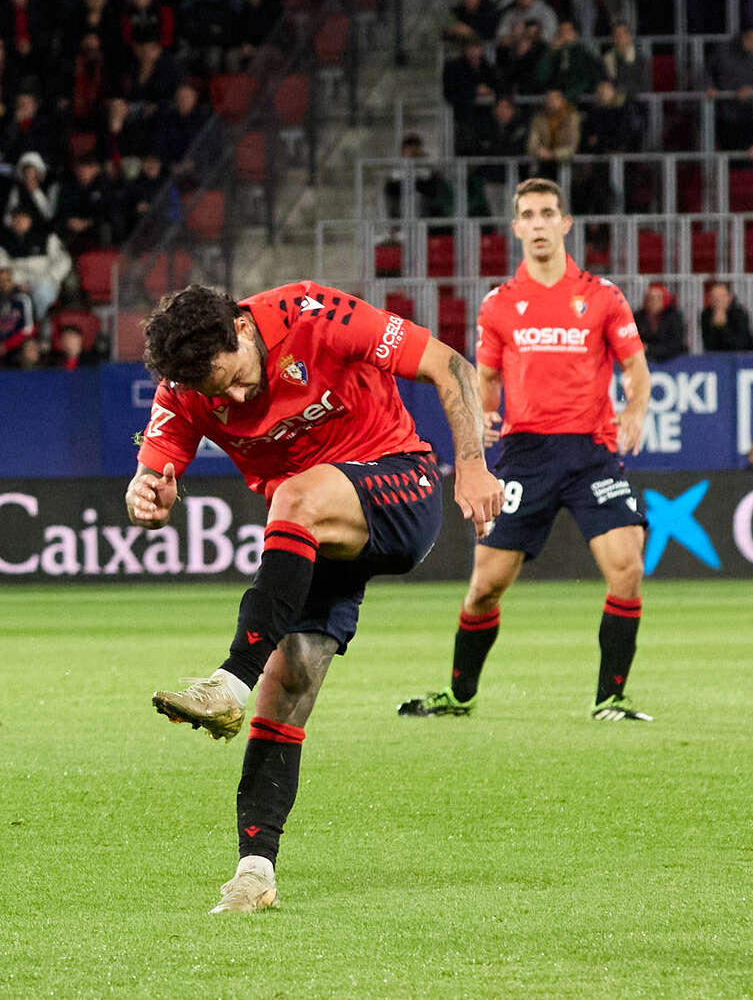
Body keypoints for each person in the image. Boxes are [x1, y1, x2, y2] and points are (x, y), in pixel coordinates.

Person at [128, 279, 502, 913]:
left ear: (242, 329)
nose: (236, 398)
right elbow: (151, 472)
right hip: (316, 530)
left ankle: (228, 681)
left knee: (293, 495)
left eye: (236, 378)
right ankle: (254, 872)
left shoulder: (315, 315)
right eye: (219, 393)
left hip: (398, 482)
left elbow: (451, 365)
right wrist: (146, 496)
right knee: (291, 680)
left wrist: (471, 464)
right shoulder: (187, 386)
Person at [399, 178, 652, 722]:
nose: (539, 224)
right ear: (516, 228)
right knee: (485, 586)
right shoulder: (499, 305)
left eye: (547, 213)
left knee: (627, 568)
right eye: (529, 215)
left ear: (565, 223)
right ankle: (459, 695)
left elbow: (635, 366)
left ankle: (611, 698)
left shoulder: (602, 296)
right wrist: (484, 415)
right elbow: (486, 379)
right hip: (525, 453)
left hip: (592, 452)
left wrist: (634, 408)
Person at [699, 280, 753, 352]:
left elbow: (739, 344)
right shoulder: (706, 314)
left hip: (740, 356)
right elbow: (709, 344)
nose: (718, 300)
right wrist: (715, 326)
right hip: (715, 356)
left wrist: (723, 326)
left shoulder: (739, 314)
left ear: (729, 298)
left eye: (721, 297)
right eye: (714, 297)